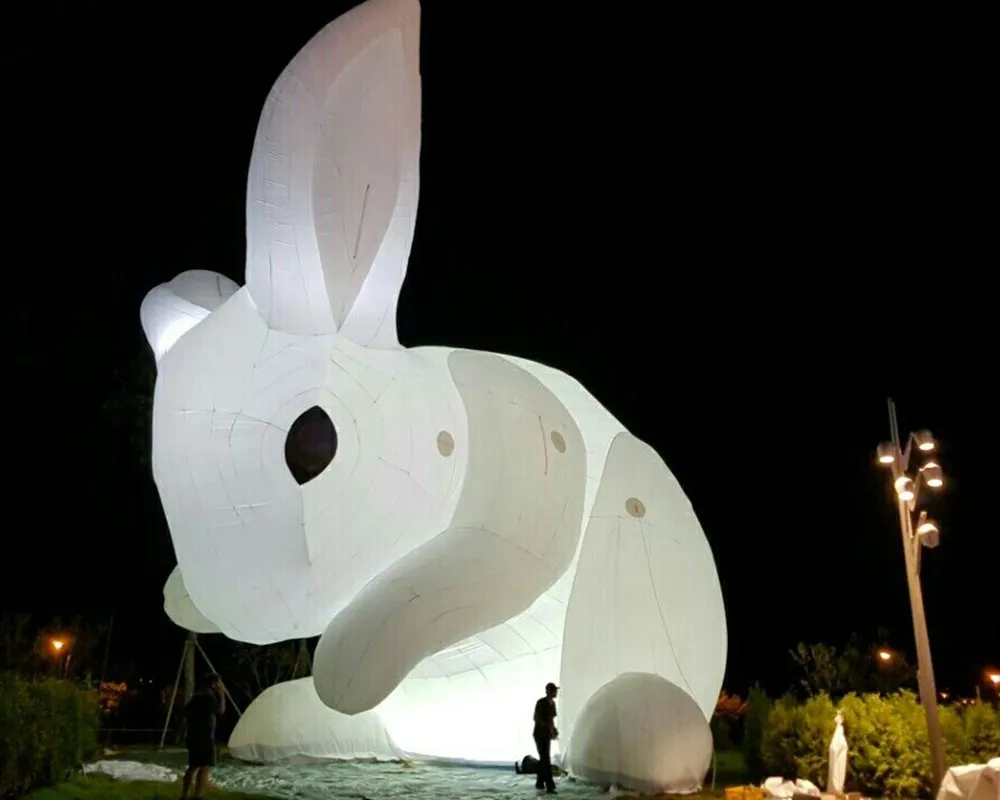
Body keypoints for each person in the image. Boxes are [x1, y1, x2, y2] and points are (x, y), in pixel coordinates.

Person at [181, 672, 226, 800]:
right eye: (218, 683)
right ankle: (197, 796)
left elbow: (186, 713)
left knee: (193, 766)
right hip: (205, 737)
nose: (220, 686)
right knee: (205, 766)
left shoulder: (195, 697)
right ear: (213, 684)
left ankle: (184, 795)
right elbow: (221, 711)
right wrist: (222, 695)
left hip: (193, 736)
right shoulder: (210, 698)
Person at [532, 682, 559, 794]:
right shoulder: (541, 703)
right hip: (539, 734)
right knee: (545, 759)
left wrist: (553, 730)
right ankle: (549, 786)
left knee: (544, 759)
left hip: (546, 735)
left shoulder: (552, 704)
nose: (556, 692)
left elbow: (551, 719)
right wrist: (548, 726)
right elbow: (536, 718)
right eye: (554, 691)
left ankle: (539, 783)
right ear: (549, 691)